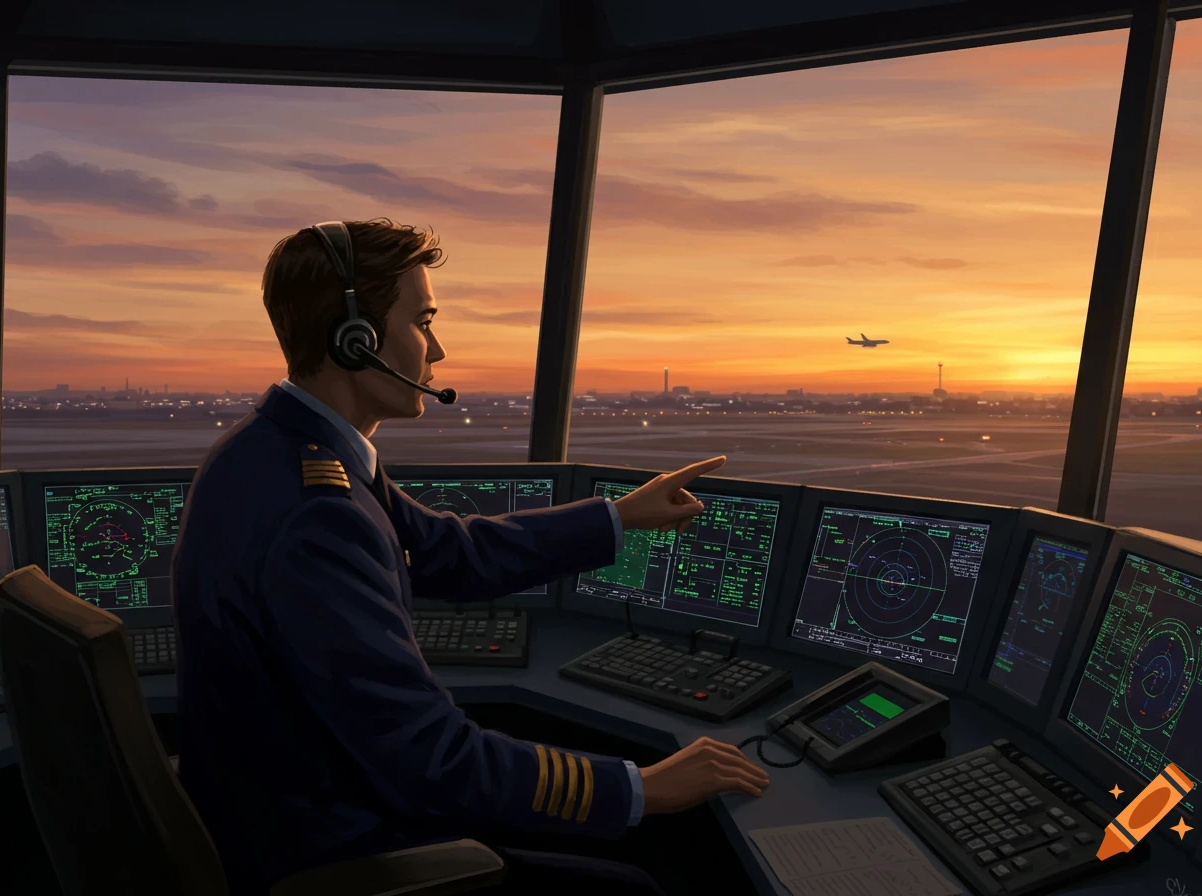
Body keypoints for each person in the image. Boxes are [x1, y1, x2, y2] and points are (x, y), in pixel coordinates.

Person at [171, 218, 770, 895]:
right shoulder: (318, 516)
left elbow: (447, 551)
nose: (438, 350)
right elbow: (434, 760)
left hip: (288, 804)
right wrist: (641, 788)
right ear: (357, 339)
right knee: (635, 885)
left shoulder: (283, 450)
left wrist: (618, 517)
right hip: (329, 847)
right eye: (423, 321)